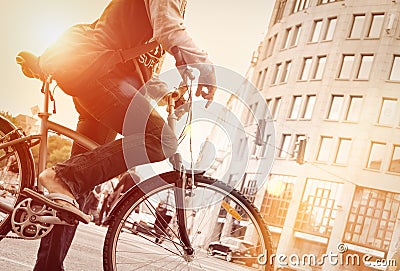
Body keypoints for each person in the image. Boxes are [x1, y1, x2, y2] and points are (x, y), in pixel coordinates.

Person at [32, 0, 216, 270]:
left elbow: (137, 70)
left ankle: (48, 266)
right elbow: (169, 29)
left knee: (79, 182)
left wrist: (166, 92)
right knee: (161, 140)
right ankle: (60, 176)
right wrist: (206, 67)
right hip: (100, 76)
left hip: (100, 78)